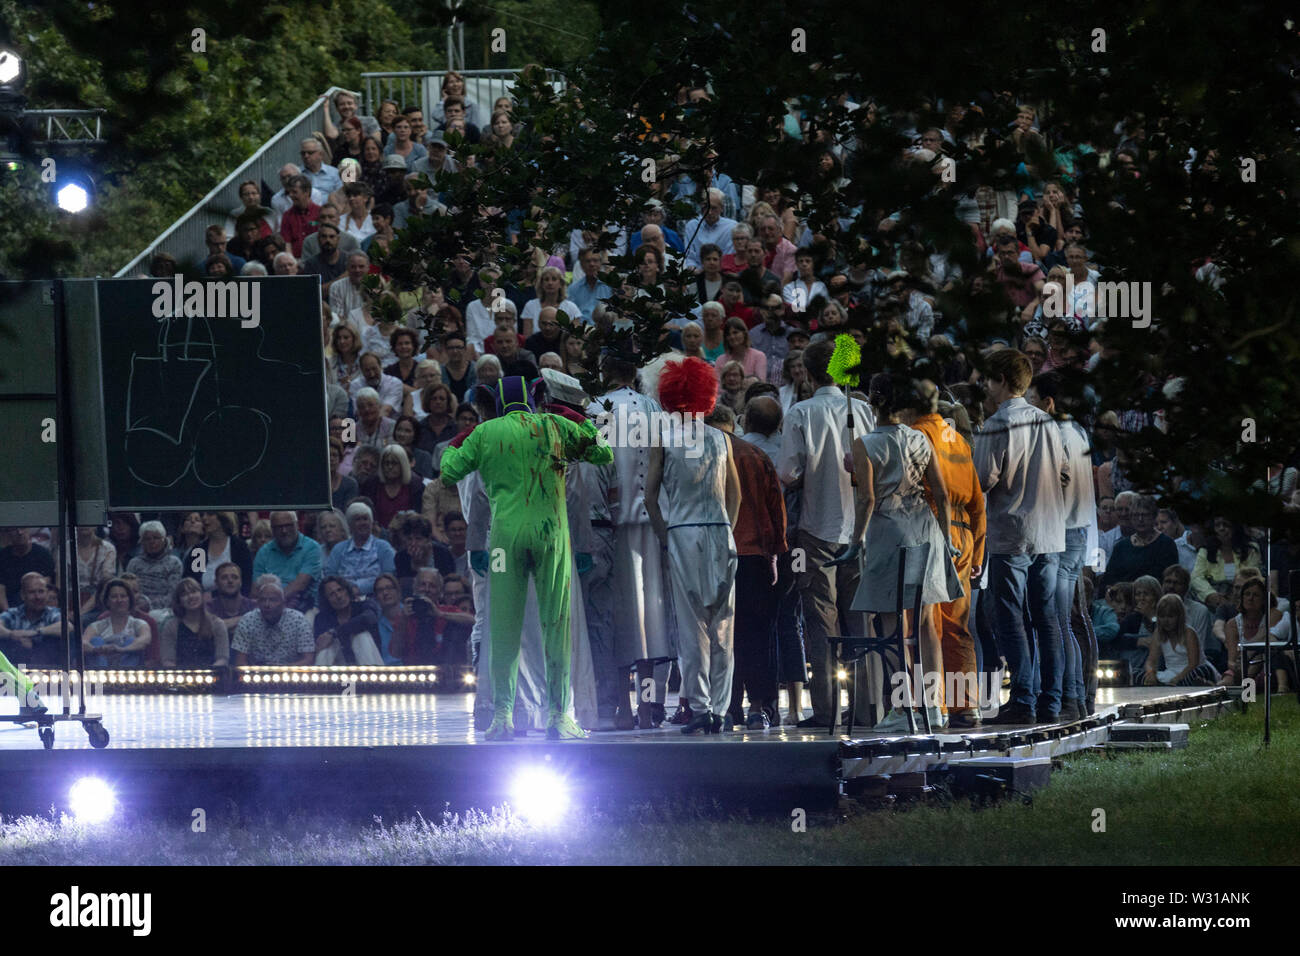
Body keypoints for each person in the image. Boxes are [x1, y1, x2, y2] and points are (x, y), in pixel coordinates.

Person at [440, 376, 614, 740]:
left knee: (504, 630)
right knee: (556, 628)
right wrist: (575, 417)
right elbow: (603, 452)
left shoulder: (485, 434)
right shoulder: (555, 425)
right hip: (552, 536)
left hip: (504, 542)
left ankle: (503, 718)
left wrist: (462, 439)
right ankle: (558, 717)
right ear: (535, 400)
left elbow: (449, 471)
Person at [834, 374, 964, 732]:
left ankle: (902, 709)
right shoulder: (920, 438)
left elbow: (868, 498)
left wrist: (854, 541)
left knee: (892, 628)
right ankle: (934, 707)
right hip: (924, 528)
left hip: (888, 532)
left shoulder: (864, 444)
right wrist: (946, 535)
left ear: (873, 403)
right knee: (926, 625)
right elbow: (940, 493)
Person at [776, 339, 875, 727]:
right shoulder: (864, 411)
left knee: (822, 621)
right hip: (861, 528)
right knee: (861, 620)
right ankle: (867, 706)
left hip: (818, 527)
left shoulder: (801, 413)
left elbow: (788, 472)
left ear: (810, 373)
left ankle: (827, 710)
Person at [645, 362, 742, 734]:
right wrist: (728, 528)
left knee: (691, 626)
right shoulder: (720, 438)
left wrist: (665, 537)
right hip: (719, 531)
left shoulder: (664, 437)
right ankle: (721, 706)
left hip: (683, 531)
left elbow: (651, 498)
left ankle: (700, 706)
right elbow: (735, 493)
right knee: (723, 624)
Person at [973, 348, 1068, 724]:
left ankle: (1024, 700)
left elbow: (982, 479)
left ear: (1000, 381)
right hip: (1049, 532)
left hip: (1011, 532)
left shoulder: (997, 424)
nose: (984, 385)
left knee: (1010, 618)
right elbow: (1063, 472)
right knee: (1046, 619)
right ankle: (1052, 701)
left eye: (987, 379)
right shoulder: (1048, 422)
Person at [906, 382, 988, 727]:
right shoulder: (959, 440)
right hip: (963, 536)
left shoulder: (914, 435)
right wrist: (979, 553)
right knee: (958, 625)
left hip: (928, 531)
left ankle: (931, 706)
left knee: (924, 625)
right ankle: (966, 705)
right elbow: (978, 503)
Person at [1028, 370, 1099, 718]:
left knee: (1057, 622)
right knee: (1067, 620)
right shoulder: (1079, 432)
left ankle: (1069, 696)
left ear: (1047, 402)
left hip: (1061, 535)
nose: (1027, 404)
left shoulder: (1055, 434)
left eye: (1031, 398)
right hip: (1077, 532)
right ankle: (1079, 695)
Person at [1100, 494, 1179, 589]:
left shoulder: (1166, 545)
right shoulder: (1121, 546)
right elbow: (1108, 580)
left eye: (1145, 515)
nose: (1140, 519)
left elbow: (1168, 581)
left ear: (1154, 517)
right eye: (1136, 515)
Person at [251, 512, 324, 613]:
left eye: (288, 525)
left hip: (305, 607)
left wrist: (274, 602)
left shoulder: (312, 547)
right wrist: (275, 603)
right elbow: (255, 590)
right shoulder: (263, 552)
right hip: (268, 608)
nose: (284, 531)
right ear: (272, 529)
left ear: (297, 525)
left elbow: (300, 584)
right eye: (279, 527)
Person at [231, 581, 315, 666]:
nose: (267, 604)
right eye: (263, 600)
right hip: (256, 675)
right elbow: (240, 662)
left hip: (291, 675)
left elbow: (309, 660)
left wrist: (282, 670)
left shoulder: (299, 621)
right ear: (258, 603)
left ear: (284, 603)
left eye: (273, 600)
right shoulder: (247, 621)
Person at [1142, 594, 1218, 687]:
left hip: (1192, 671)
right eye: (1162, 616)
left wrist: (1178, 679)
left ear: (1179, 616)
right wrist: (1150, 672)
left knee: (1198, 673)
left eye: (1170, 616)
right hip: (1171, 673)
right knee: (1137, 674)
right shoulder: (1158, 633)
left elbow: (1193, 663)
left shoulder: (1189, 632)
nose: (1166, 621)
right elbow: (1151, 660)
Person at [322, 502, 396, 597]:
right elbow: (330, 577)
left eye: (365, 519)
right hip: (343, 599)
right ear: (350, 525)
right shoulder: (339, 549)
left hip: (375, 597)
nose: (362, 523)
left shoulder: (383, 547)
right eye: (358, 519)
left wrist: (359, 589)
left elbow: (389, 576)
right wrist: (346, 591)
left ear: (371, 522)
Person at [1192, 518, 1262, 607]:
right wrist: (1211, 594)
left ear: (1235, 527)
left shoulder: (1251, 549)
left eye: (1226, 525)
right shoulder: (1205, 550)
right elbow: (1196, 577)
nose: (1222, 528)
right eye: (1217, 525)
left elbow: (1252, 575)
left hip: (1244, 597)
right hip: (1214, 599)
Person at [82, 578, 151, 668]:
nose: (119, 600)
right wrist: (97, 649)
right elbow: (83, 643)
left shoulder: (139, 624)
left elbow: (145, 640)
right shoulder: (97, 626)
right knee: (96, 641)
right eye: (114, 597)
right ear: (107, 601)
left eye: (123, 596)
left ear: (129, 599)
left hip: (130, 673)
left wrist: (122, 650)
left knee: (131, 641)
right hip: (100, 670)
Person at [160, 578, 229, 667]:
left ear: (202, 595)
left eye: (194, 592)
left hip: (212, 676)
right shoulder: (171, 626)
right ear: (179, 601)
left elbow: (222, 658)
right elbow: (167, 660)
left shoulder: (217, 624)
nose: (190, 596)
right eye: (184, 594)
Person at [0, 572, 63, 669]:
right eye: (32, 592)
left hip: (48, 673)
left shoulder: (53, 613)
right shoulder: (13, 614)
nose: (37, 597)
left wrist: (35, 632)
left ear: (46, 593)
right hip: (13, 673)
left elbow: (67, 626)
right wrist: (11, 635)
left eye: (41, 591)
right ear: (22, 595)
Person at [359, 445, 427, 529]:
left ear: (403, 465)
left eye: (394, 463)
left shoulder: (416, 486)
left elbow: (420, 517)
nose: (390, 467)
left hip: (407, 534)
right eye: (386, 463)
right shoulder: (371, 484)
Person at [189, 512, 252, 595]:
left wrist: (213, 595)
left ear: (223, 517)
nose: (204, 518)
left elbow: (246, 583)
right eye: (202, 515)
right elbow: (193, 583)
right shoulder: (199, 550)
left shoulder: (239, 547)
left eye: (210, 514)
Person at [126, 521, 183, 611]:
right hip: (136, 607)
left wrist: (148, 605)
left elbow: (173, 595)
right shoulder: (134, 563)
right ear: (142, 542)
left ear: (164, 540)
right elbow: (127, 591)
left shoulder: (174, 563)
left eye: (156, 538)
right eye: (147, 539)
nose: (152, 542)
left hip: (164, 610)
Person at [0, 527, 56, 613]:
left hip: (35, 603)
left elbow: (44, 587)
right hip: (9, 606)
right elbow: (1, 590)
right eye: (15, 529)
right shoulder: (2, 556)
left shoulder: (43, 554)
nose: (20, 532)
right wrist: (9, 614)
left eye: (23, 528)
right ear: (8, 534)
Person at [206, 563, 257, 633]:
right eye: (224, 577)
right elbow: (208, 630)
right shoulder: (208, 608)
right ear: (216, 582)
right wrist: (246, 618)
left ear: (241, 582)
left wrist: (224, 626)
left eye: (235, 577)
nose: (230, 581)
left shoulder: (253, 606)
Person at [714, 317, 767, 382]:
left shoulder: (759, 356)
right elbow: (718, 386)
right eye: (728, 334)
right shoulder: (720, 360)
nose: (732, 337)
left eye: (735, 332)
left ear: (744, 333)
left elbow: (761, 383)